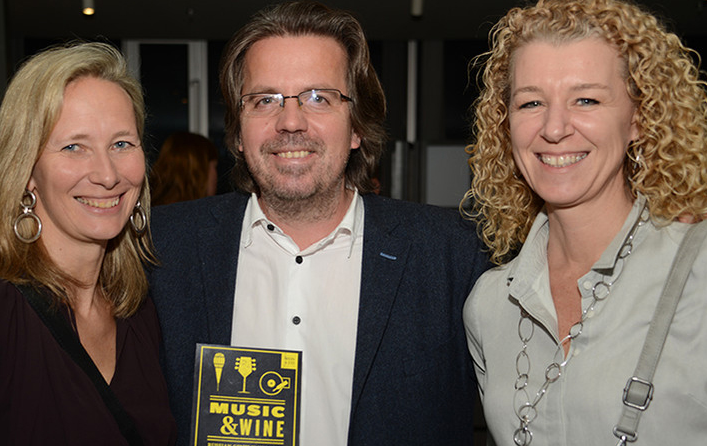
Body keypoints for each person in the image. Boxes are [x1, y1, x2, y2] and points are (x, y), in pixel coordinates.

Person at [148, 2, 489, 444]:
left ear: (356, 127)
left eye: (318, 98)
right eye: (265, 100)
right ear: (238, 131)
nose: (291, 122)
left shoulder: (453, 256)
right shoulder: (162, 249)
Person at [0, 42, 176, 444]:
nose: (108, 175)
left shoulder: (140, 312)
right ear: (26, 170)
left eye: (122, 143)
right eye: (74, 146)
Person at [462, 0, 707, 444]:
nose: (554, 128)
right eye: (531, 102)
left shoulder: (698, 272)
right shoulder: (490, 305)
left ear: (639, 118)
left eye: (586, 100)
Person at [150, 131, 219, 206]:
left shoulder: (152, 208)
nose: (216, 174)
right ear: (199, 172)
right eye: (214, 166)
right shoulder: (199, 211)